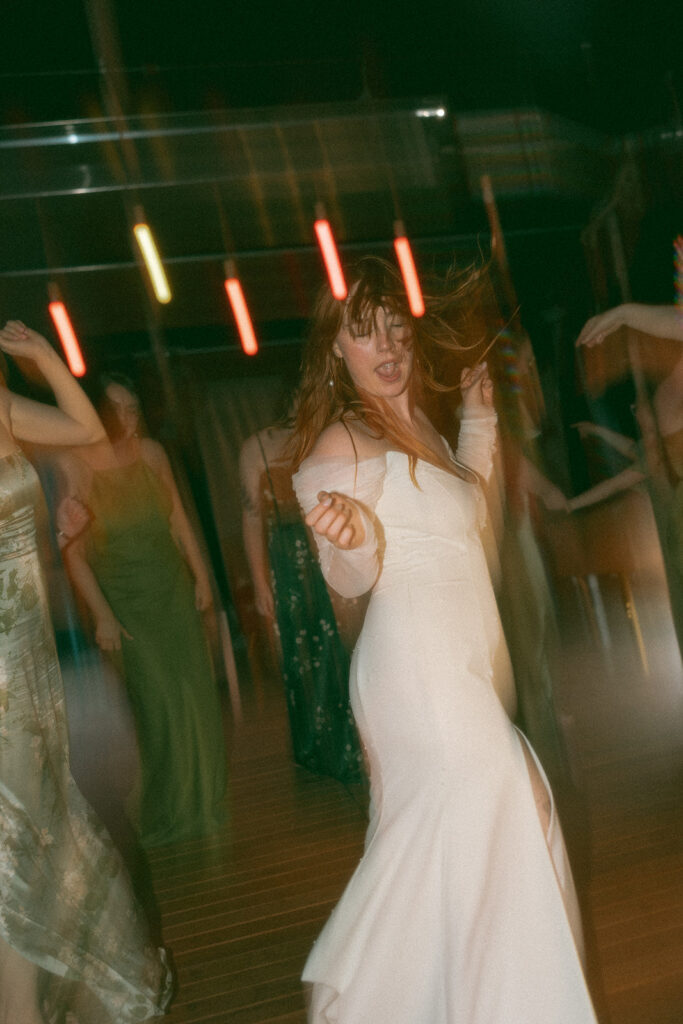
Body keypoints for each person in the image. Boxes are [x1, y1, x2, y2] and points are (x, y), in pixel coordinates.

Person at [289, 258, 597, 1024]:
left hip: (456, 665)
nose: (386, 345)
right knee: (509, 807)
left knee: (473, 843)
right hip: (414, 674)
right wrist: (357, 537)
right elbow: (350, 579)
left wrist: (480, 421)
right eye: (362, 334)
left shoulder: (418, 427)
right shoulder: (340, 443)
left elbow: (471, 540)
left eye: (395, 326)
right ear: (335, 350)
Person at [0, 321, 171, 1024]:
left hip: (28, 657)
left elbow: (84, 427)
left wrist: (44, 358)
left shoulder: (2, 406)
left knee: (34, 827)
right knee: (15, 831)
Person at [61, 372, 227, 847]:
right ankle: (164, 813)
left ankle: (207, 808)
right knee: (158, 707)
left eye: (135, 408)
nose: (132, 419)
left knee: (196, 698)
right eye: (121, 410)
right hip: (126, 603)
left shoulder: (152, 453)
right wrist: (103, 616)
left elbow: (177, 518)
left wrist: (201, 578)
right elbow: (73, 554)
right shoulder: (77, 465)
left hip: (171, 590)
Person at [239, 421, 363, 782]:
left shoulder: (323, 436)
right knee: (303, 655)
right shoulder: (255, 448)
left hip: (326, 552)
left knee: (339, 649)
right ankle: (317, 747)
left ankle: (354, 747)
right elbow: (251, 519)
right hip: (287, 565)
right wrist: (261, 582)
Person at [575, 301, 683, 656]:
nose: (637, 411)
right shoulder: (650, 454)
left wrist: (623, 314)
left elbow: (617, 480)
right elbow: (623, 463)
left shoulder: (660, 439)